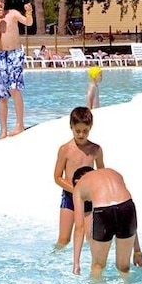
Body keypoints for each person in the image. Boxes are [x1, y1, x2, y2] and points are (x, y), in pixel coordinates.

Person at [71, 166, 142, 277]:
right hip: (127, 207)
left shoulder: (79, 186)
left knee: (98, 266)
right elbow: (129, 221)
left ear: (77, 181)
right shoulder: (113, 172)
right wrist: (137, 252)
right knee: (124, 267)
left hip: (103, 211)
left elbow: (79, 228)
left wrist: (76, 264)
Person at [0, 0, 33, 137]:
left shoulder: (12, 14)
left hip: (15, 53)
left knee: (14, 88)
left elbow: (28, 23)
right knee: (2, 94)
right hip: (1, 56)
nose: (0, 3)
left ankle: (20, 124)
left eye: (2, 0)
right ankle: (3, 129)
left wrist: (29, 12)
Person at [54, 107, 103, 249]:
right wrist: (75, 190)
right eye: (78, 131)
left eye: (85, 131)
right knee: (63, 239)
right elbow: (57, 177)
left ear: (91, 127)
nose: (81, 134)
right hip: (69, 197)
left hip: (88, 199)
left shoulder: (95, 150)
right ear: (71, 127)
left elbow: (102, 174)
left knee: (90, 237)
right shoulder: (65, 150)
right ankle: (54, 259)